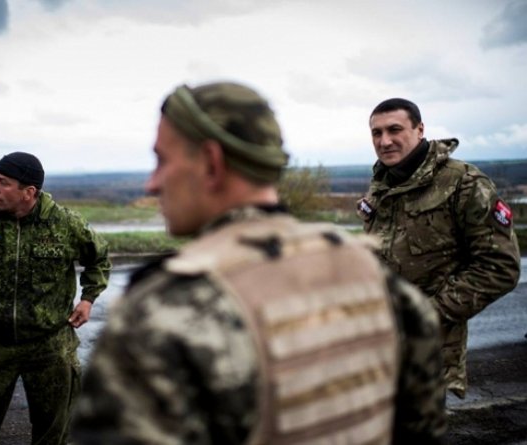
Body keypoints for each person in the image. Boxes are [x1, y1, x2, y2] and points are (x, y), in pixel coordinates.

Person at [71, 82, 447, 444]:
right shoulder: (378, 282)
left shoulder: (162, 312)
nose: (152, 184)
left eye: (162, 160)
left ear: (211, 163)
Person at [0, 151, 111, 445]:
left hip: (50, 345)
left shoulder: (65, 223)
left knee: (52, 435)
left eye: (3, 182)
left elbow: (98, 259)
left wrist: (88, 298)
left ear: (28, 192)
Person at [357, 98, 521, 399]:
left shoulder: (464, 183)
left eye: (395, 130)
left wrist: (425, 315)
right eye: (376, 133)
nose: (385, 141)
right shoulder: (383, 184)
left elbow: (500, 267)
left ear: (420, 130)